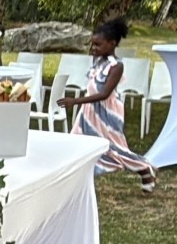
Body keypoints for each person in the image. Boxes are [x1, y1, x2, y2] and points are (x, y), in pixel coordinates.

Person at [58, 17, 157, 193]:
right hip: (89, 111)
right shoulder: (98, 61)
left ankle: (144, 167)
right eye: (93, 45)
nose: (93, 48)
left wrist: (75, 101)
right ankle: (76, 184)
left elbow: (104, 94)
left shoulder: (116, 66)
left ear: (112, 44)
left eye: (98, 45)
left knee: (113, 148)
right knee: (78, 144)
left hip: (107, 112)